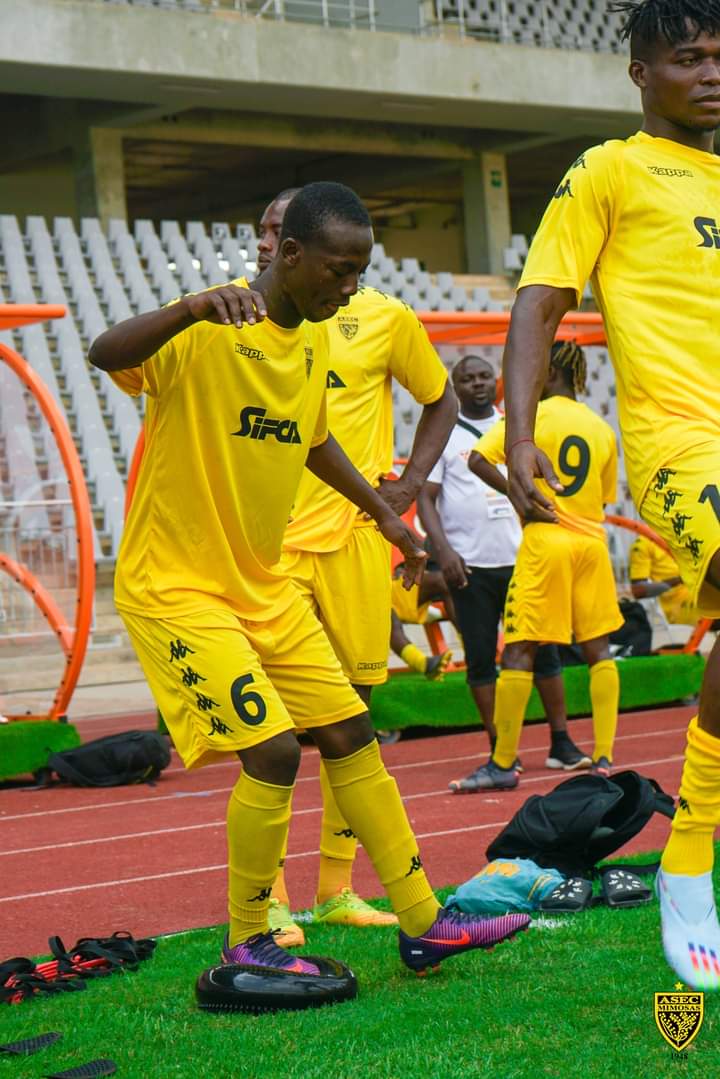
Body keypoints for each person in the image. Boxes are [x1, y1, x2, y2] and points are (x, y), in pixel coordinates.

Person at [89, 182, 528, 987]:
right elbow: (104, 351)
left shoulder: (316, 343)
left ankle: (426, 923)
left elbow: (314, 441)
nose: (349, 287)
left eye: (359, 272)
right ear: (288, 254)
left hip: (261, 586)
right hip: (176, 587)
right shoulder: (206, 329)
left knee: (351, 730)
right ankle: (248, 940)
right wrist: (188, 309)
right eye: (338, 269)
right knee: (275, 748)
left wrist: (389, 515)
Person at [499, 0, 720, 990]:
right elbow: (541, 298)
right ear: (641, 74)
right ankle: (689, 855)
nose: (710, 73)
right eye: (687, 58)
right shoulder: (610, 170)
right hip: (686, 442)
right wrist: (514, 430)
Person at [255, 187, 457, 945]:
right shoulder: (238, 324)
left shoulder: (382, 319)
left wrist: (403, 488)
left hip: (354, 543)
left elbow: (438, 400)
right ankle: (266, 898)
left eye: (286, 230)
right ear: (267, 242)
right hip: (266, 546)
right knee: (269, 729)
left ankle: (336, 888)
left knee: (356, 715)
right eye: (268, 231)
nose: (275, 243)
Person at [416, 354, 589, 793]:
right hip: (470, 564)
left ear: (495, 381)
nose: (477, 384)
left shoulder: (517, 427)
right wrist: (444, 551)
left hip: (524, 557)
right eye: (466, 379)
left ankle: (562, 742)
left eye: (483, 376)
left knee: (545, 653)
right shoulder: (444, 436)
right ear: (454, 387)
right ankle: (500, 749)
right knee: (480, 659)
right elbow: (426, 500)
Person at [468, 341, 623, 790]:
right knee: (599, 650)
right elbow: (605, 496)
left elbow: (479, 458)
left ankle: (502, 763)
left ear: (548, 370)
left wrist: (518, 493)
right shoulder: (600, 427)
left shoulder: (528, 420)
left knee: (519, 649)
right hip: (591, 544)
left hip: (546, 541)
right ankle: (605, 756)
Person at [390, 562, 454, 679]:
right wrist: (401, 569)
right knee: (385, 613)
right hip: (389, 590)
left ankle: (473, 648)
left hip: (411, 590)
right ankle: (423, 663)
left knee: (449, 581)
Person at [629, 534, 697, 625]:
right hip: (677, 604)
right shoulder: (643, 543)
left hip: (697, 590)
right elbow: (638, 590)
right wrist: (681, 579)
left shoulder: (684, 534)